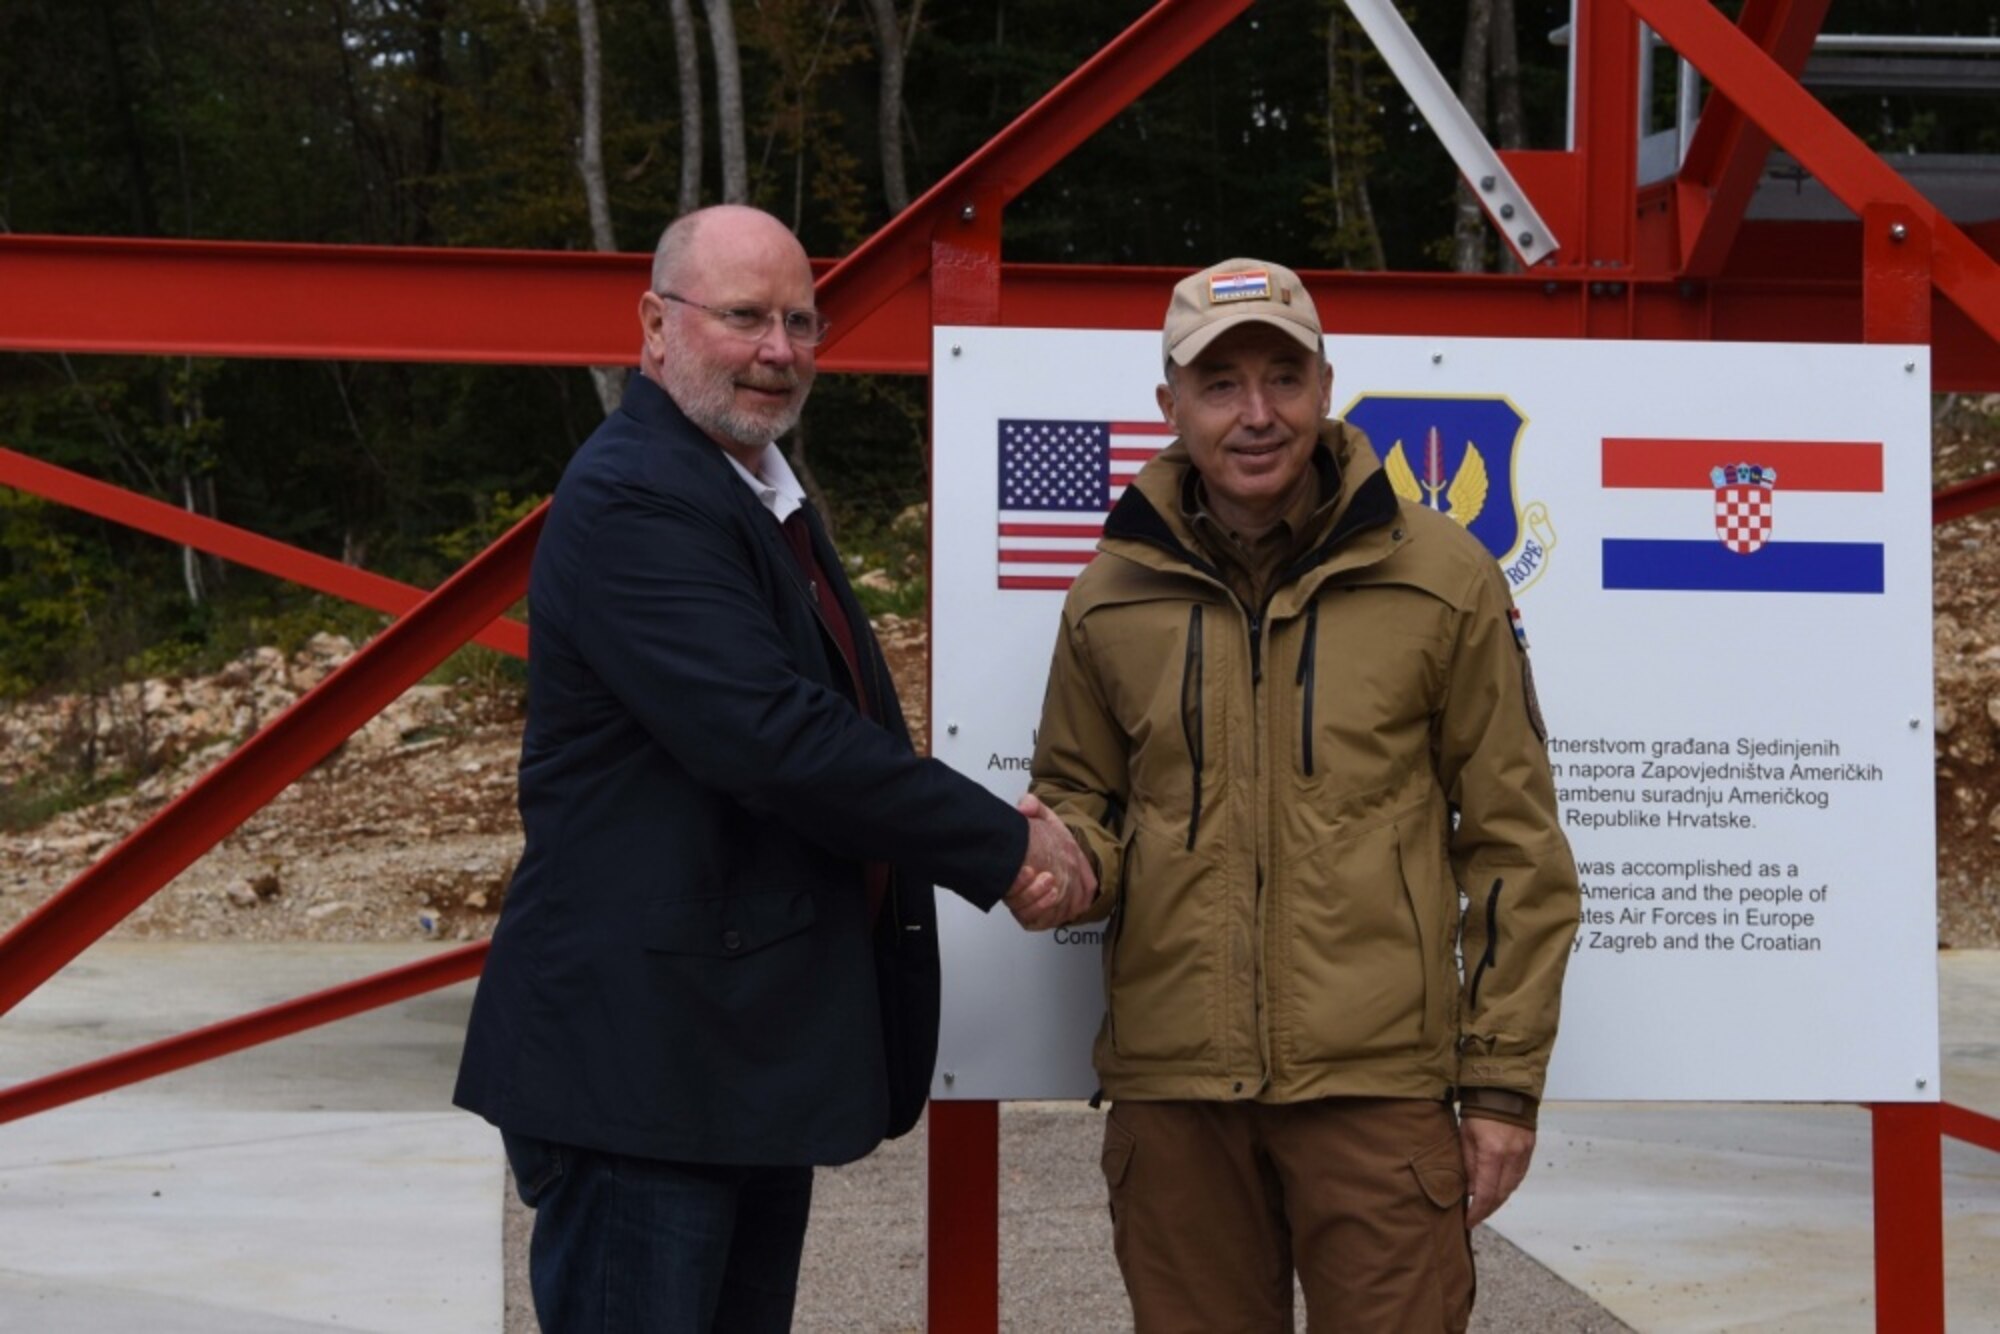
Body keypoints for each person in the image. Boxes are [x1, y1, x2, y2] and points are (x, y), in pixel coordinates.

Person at [454, 204, 1093, 1333]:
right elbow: (771, 734)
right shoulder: (635, 495)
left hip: (723, 1061)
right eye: (744, 316)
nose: (779, 350)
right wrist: (1001, 845)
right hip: (642, 1075)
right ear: (655, 325)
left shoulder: (749, 488)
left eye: (802, 320)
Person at [1027, 257, 1580, 1333]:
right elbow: (1079, 794)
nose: (1255, 413)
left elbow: (1515, 843)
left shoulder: (1440, 575)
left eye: (1282, 376)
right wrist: (1064, 858)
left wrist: (1502, 1085)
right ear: (1168, 404)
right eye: (1219, 383)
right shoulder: (1108, 591)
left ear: (1325, 386)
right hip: (1175, 1096)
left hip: (1376, 1096)